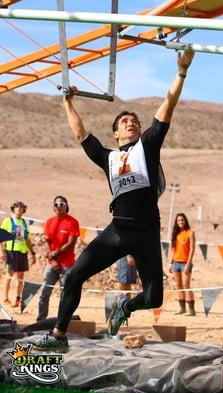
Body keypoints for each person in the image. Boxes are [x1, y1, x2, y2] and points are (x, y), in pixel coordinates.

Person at [34, 48, 194, 350]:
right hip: (118, 231)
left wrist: (181, 72)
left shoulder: (147, 146)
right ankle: (58, 335)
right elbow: (80, 133)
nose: (131, 123)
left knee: (153, 297)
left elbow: (167, 106)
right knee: (74, 276)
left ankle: (125, 308)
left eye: (135, 120)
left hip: (146, 232)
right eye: (125, 122)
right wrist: (67, 101)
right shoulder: (106, 157)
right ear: (116, 133)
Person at [36, 196, 80, 321]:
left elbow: (71, 243)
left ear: (66, 206)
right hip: (52, 263)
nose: (59, 206)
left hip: (67, 264)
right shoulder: (50, 221)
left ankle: (61, 322)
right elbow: (46, 241)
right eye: (56, 204)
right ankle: (41, 320)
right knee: (44, 292)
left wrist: (57, 252)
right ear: (53, 208)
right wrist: (52, 258)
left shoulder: (73, 222)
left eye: (62, 204)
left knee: (65, 294)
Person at [0, 201, 36, 307]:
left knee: (21, 276)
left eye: (21, 207)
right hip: (11, 251)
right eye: (17, 206)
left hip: (22, 252)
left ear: (24, 209)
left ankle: (18, 299)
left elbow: (27, 239)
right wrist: (1, 252)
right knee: (9, 275)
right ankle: (6, 299)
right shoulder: (8, 221)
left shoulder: (25, 222)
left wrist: (32, 253)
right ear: (13, 209)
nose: (19, 208)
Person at [170, 213, 196, 316]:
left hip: (185, 262)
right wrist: (171, 263)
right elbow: (173, 249)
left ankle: (191, 310)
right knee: (178, 286)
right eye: (178, 220)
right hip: (175, 262)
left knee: (186, 285)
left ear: (185, 221)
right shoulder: (176, 233)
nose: (180, 222)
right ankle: (182, 308)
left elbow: (192, 249)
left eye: (182, 220)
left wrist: (188, 264)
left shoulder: (190, 232)